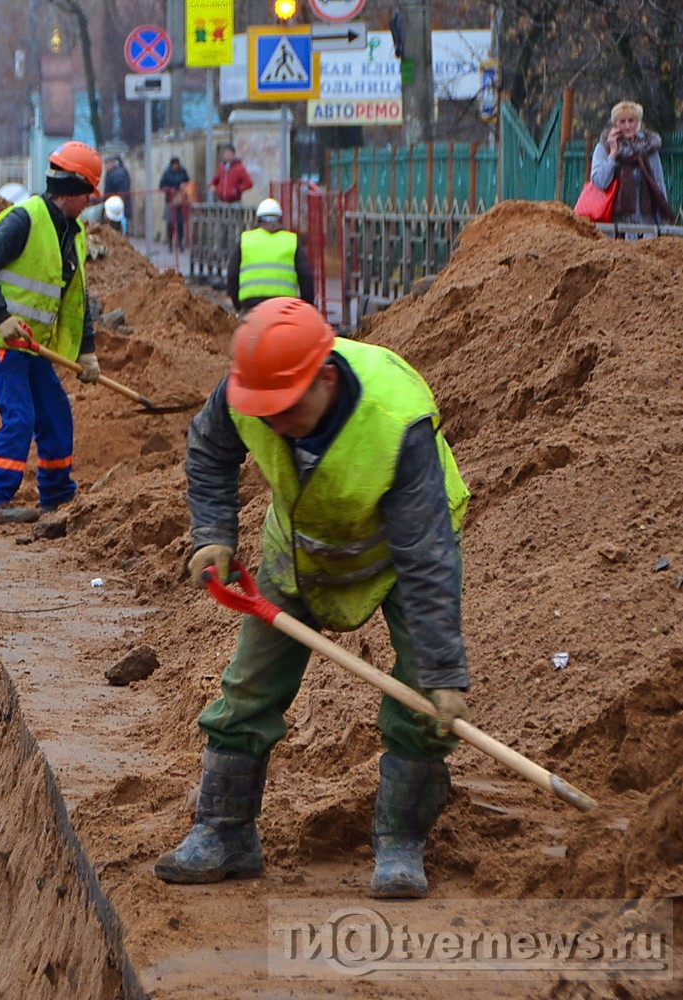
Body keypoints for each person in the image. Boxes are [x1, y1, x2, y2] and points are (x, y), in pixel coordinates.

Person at [154, 297, 471, 899]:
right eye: (264, 412)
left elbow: (425, 555)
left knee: (425, 699)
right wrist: (215, 533)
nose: (274, 424)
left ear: (325, 378)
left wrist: (443, 670)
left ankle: (401, 841)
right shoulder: (251, 390)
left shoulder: (395, 422)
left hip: (404, 555)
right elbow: (210, 448)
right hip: (300, 547)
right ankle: (224, 832)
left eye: (287, 411)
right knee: (249, 685)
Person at [0, 140, 103, 527]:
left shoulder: (72, 232)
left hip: (33, 344)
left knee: (55, 414)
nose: (90, 204)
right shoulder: (24, 219)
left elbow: (76, 298)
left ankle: (57, 497)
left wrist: (86, 351)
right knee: (20, 419)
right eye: (88, 196)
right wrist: (1, 318)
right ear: (74, 192)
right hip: (1, 339)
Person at [589, 100, 672, 227]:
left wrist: (663, 223)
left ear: (637, 122)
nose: (627, 126)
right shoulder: (604, 147)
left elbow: (659, 185)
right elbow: (599, 182)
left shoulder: (649, 148)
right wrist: (613, 154)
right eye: (622, 122)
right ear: (615, 124)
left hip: (646, 224)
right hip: (614, 226)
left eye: (631, 121)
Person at [226, 198, 315, 315]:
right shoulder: (291, 241)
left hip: (251, 306)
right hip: (284, 308)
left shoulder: (246, 240)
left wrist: (238, 306)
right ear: (280, 219)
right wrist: (306, 308)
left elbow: (232, 275)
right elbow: (306, 278)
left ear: (257, 219)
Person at [159, 156, 191, 253]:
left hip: (181, 201)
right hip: (170, 200)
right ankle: (170, 243)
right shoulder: (167, 173)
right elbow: (161, 185)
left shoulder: (183, 172)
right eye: (174, 164)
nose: (176, 166)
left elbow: (188, 182)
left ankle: (180, 243)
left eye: (177, 164)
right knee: (170, 223)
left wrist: (184, 185)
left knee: (180, 223)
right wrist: (169, 189)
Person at [103, 156, 132, 229]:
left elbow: (123, 192)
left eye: (106, 163)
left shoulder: (118, 174)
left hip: (116, 208)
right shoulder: (114, 173)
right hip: (115, 207)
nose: (105, 166)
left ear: (113, 163)